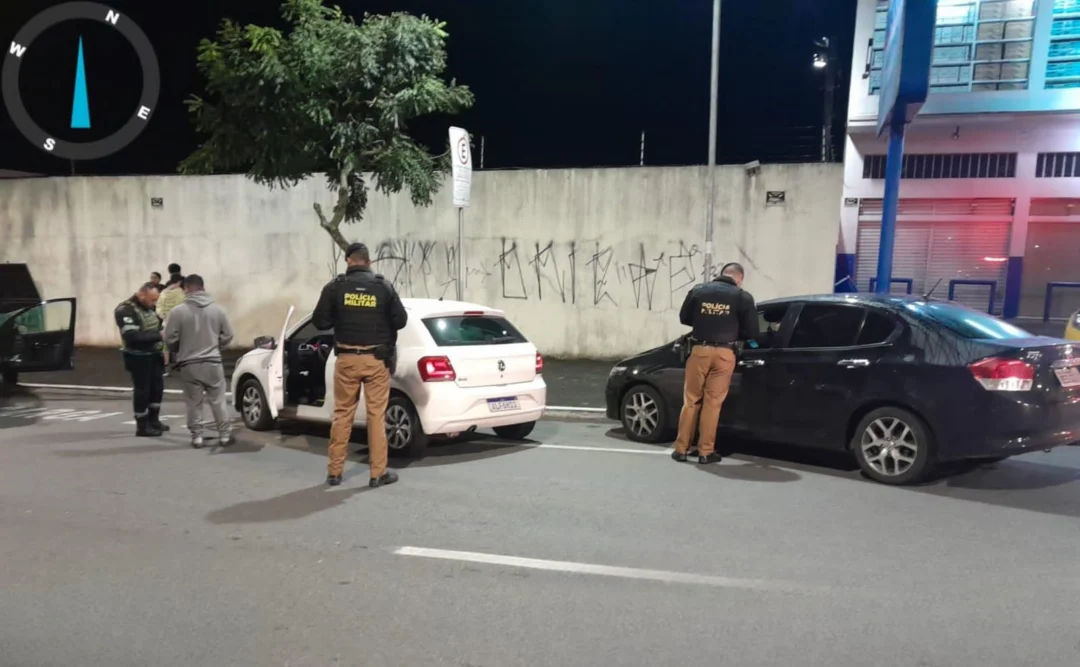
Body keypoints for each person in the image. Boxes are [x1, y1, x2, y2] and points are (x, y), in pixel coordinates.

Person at [312, 242, 407, 488]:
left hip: (346, 360)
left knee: (342, 415)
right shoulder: (383, 287)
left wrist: (338, 313)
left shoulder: (335, 287)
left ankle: (334, 473)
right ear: (369, 262)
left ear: (348, 260)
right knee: (376, 416)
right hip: (375, 360)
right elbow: (401, 320)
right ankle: (378, 474)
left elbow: (320, 321)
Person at [672, 262, 759, 464]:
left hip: (699, 351)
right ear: (740, 278)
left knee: (691, 400)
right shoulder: (742, 297)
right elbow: (752, 332)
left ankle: (681, 449)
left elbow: (684, 318)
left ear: (720, 275)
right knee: (713, 403)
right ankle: (705, 452)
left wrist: (706, 318)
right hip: (724, 354)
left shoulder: (699, 290)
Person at [164, 274, 235, 449]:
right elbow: (228, 335)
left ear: (187, 289)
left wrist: (179, 348)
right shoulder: (218, 310)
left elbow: (169, 338)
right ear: (203, 287)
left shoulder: (178, 312)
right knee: (218, 400)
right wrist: (217, 346)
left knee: (193, 402)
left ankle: (197, 437)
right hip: (213, 362)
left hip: (189, 363)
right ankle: (225, 435)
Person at [114, 283, 170, 437]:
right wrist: (160, 336)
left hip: (154, 355)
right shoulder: (125, 310)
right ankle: (142, 426)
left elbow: (158, 327)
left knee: (157, 389)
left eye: (156, 300)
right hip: (138, 357)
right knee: (142, 391)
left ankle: (154, 420)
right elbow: (132, 337)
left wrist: (164, 348)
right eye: (152, 300)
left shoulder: (148, 308)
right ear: (141, 295)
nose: (154, 304)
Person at [157, 274, 186, 375]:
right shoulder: (181, 293)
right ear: (179, 282)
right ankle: (180, 364)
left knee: (166, 346)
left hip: (166, 322)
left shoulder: (163, 293)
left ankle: (166, 366)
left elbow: (159, 308)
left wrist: (164, 316)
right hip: (180, 322)